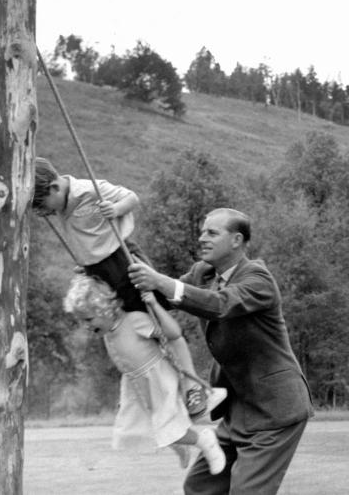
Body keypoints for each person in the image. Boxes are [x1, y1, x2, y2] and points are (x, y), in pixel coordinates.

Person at [129, 207, 313, 495]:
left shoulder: (258, 279)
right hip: (238, 408)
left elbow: (218, 304)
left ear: (237, 240)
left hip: (276, 409)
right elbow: (159, 296)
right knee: (199, 486)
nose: (202, 238)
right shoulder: (203, 273)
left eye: (212, 233)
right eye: (202, 231)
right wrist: (110, 263)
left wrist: (160, 282)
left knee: (247, 491)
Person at [32, 157, 215, 417]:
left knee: (161, 325)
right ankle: (150, 389)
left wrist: (116, 210)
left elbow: (131, 197)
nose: (44, 212)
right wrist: (86, 263)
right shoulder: (58, 202)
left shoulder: (88, 189)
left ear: (53, 188)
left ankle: (191, 386)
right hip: (97, 271)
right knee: (122, 331)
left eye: (42, 205)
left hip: (123, 261)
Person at [63, 273, 226, 473]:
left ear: (104, 309)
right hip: (139, 385)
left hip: (158, 379)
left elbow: (172, 334)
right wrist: (126, 397)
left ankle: (205, 441)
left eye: (89, 319)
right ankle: (181, 446)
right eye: (82, 322)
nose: (86, 326)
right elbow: (125, 364)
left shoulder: (134, 321)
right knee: (143, 430)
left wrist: (155, 307)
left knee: (166, 426)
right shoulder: (108, 335)